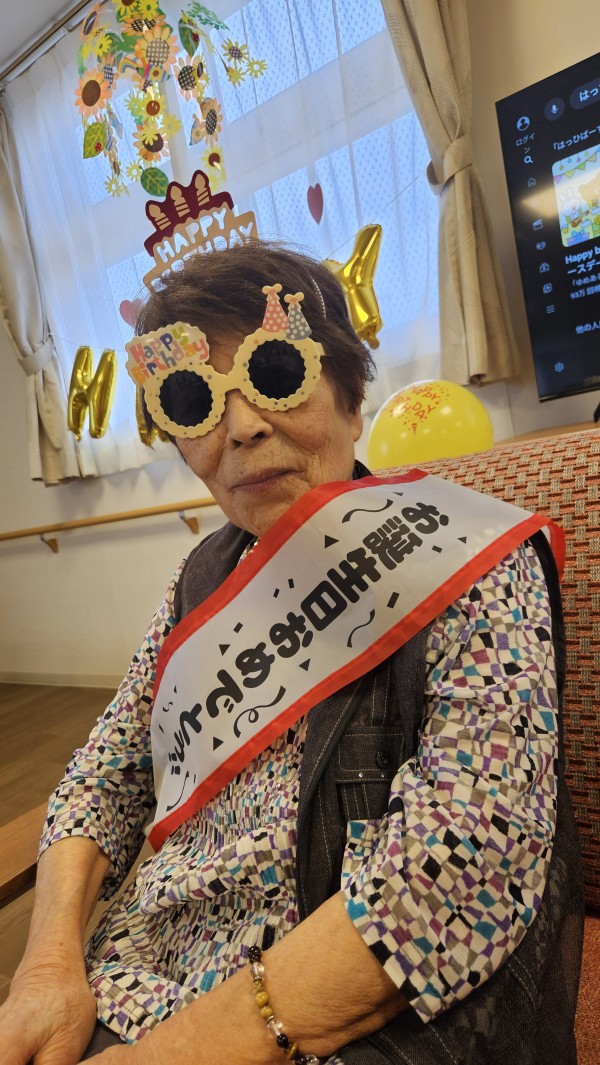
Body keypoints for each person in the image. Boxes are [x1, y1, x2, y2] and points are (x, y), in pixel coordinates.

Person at [0, 241, 583, 1065]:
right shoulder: (200, 580)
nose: (242, 427)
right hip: (131, 987)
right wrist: (47, 966)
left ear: (352, 398)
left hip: (344, 1021)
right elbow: (107, 773)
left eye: (276, 373)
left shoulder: (469, 557)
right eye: (196, 400)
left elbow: (459, 870)